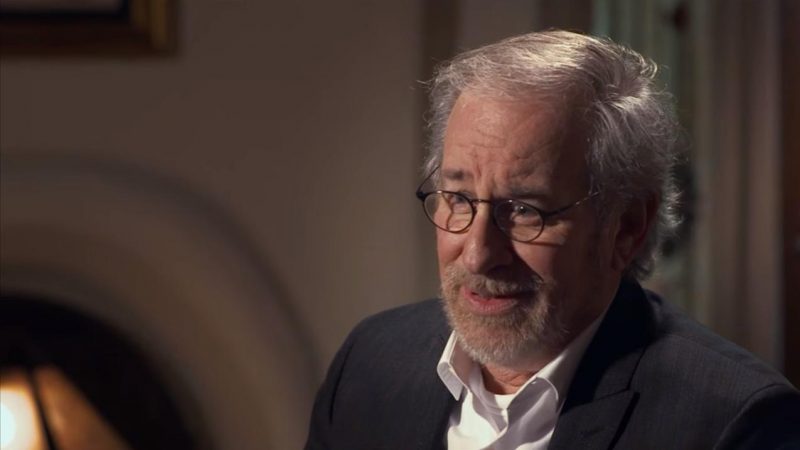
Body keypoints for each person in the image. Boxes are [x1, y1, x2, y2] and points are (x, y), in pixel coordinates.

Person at [304, 30, 800, 450]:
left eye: (524, 210)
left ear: (625, 227)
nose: (478, 254)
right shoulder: (369, 362)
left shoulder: (736, 422)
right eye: (458, 198)